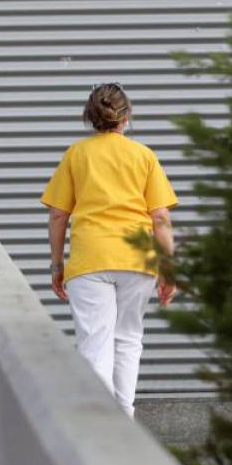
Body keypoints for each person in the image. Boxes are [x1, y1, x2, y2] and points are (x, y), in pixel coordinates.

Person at [41, 83, 178, 419]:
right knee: (128, 338)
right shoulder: (144, 156)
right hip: (137, 260)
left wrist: (57, 265)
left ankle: (99, 425)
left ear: (91, 117)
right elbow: (161, 217)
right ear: (126, 116)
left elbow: (58, 215)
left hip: (89, 261)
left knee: (94, 342)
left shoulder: (76, 154)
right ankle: (124, 419)